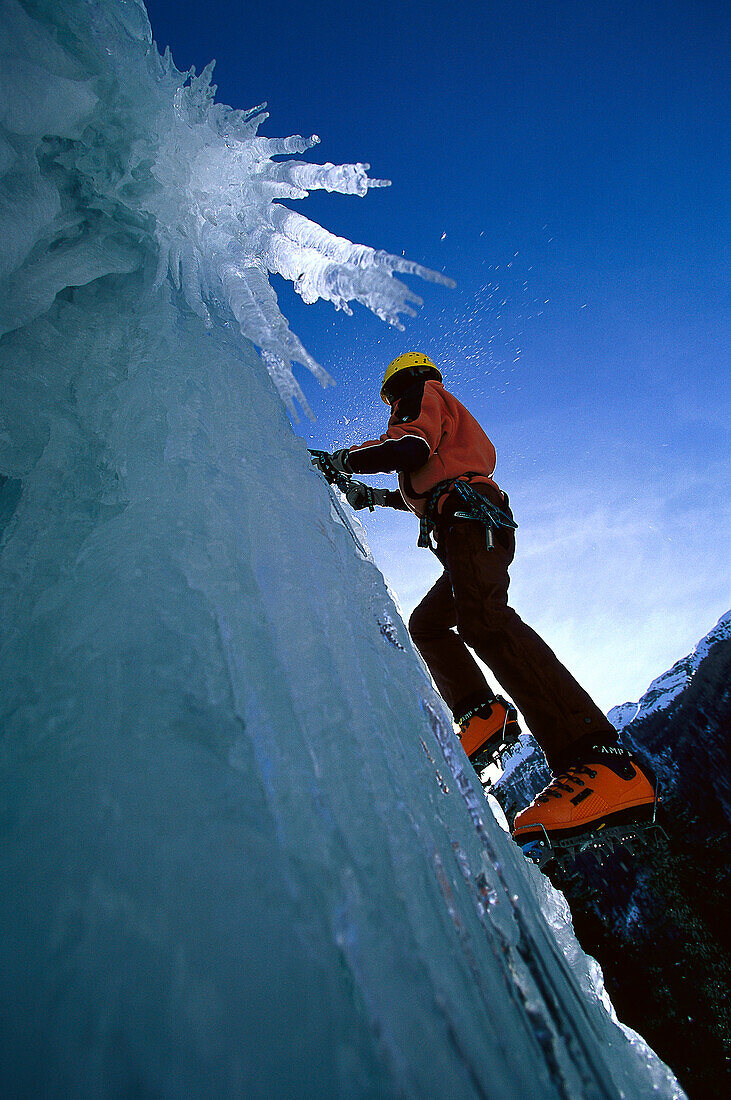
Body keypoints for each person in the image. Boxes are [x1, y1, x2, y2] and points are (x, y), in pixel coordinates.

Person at [312, 351, 656, 849]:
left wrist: (342, 459)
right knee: (430, 624)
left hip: (470, 519)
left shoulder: (420, 395)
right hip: (466, 521)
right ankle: (482, 712)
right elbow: (426, 476)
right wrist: (369, 495)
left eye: (390, 398)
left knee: (485, 620)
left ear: (399, 384)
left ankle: (599, 759)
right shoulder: (446, 421)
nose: (392, 407)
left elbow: (408, 448)